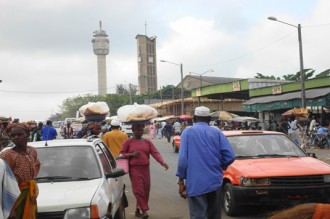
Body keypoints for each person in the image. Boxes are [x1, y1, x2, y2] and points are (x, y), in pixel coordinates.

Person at [176, 106, 235, 219]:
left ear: (194, 118)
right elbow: (230, 156)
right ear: (209, 119)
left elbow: (183, 159)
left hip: (195, 182)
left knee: (198, 215)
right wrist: (220, 165)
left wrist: (181, 180)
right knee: (214, 215)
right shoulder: (216, 132)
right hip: (215, 181)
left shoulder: (187, 132)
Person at [119, 123, 169, 219]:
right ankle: (144, 211)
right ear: (133, 130)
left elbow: (155, 152)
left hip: (145, 168)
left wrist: (162, 162)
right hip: (134, 169)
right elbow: (121, 154)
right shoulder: (128, 142)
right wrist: (132, 154)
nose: (140, 132)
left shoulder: (147, 142)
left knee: (145, 190)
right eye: (138, 130)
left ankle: (138, 210)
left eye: (142, 130)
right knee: (139, 190)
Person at [0, 122, 40, 219]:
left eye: (19, 134)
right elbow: (2, 182)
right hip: (14, 195)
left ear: (27, 135)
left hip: (29, 194)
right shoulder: (7, 155)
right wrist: (11, 209)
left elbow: (36, 165)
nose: (16, 137)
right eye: (13, 135)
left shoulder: (32, 151)